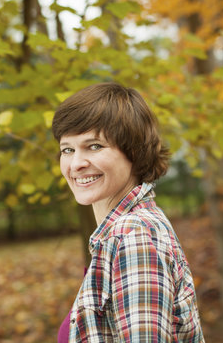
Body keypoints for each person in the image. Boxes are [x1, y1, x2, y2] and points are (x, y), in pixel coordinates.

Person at [52, 82, 204, 342]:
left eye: (94, 146)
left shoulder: (134, 236)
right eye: (68, 149)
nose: (76, 164)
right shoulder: (120, 233)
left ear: (133, 151)